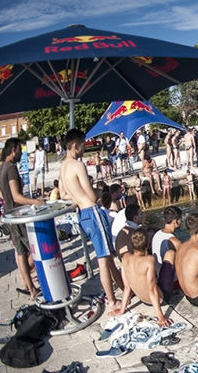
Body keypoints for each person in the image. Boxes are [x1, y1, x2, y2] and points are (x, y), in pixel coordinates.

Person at [59, 129, 125, 311]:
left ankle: (121, 288)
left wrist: (78, 196)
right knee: (103, 260)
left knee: (106, 255)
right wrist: (101, 192)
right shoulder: (77, 165)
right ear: (74, 145)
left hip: (82, 214)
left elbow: (63, 193)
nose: (83, 149)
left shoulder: (63, 166)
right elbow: (90, 194)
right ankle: (112, 302)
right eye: (82, 145)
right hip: (93, 211)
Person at [0, 138, 45, 299]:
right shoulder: (11, 168)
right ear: (13, 149)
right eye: (19, 150)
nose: (21, 153)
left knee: (20, 252)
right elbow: (17, 196)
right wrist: (37, 202)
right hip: (17, 215)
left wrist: (4, 198)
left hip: (9, 214)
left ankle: (29, 286)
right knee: (32, 250)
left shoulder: (2, 166)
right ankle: (30, 281)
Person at [117, 228, 173, 327]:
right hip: (161, 299)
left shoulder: (125, 258)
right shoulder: (149, 260)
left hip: (143, 300)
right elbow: (152, 288)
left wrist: (122, 310)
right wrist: (161, 317)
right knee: (170, 254)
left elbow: (127, 287)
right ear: (147, 245)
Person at [153, 206, 183, 299]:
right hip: (172, 283)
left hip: (158, 276)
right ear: (176, 221)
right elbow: (184, 263)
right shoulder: (173, 241)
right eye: (180, 219)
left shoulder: (157, 234)